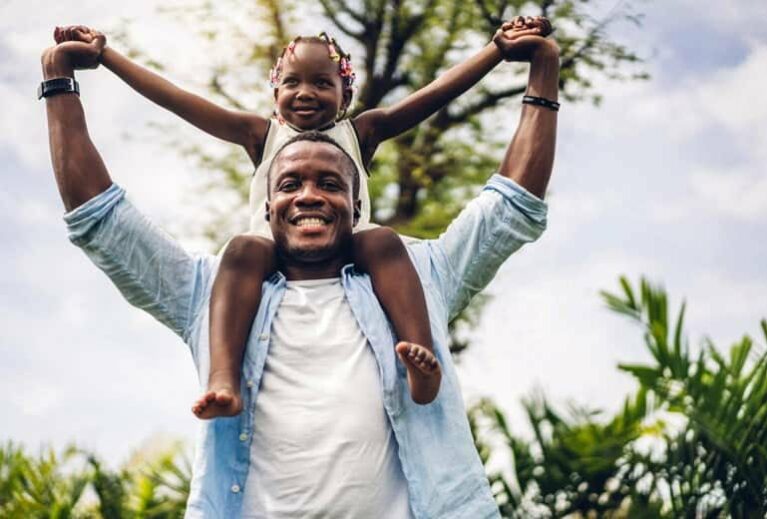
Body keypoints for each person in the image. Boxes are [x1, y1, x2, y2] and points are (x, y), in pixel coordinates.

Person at [41, 14, 559, 517]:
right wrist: (60, 78)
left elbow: (509, 207)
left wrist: (539, 67)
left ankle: (424, 375)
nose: (309, 196)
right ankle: (223, 382)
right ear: (267, 207)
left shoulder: (417, 275)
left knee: (383, 245)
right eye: (289, 184)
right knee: (241, 251)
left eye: (331, 184)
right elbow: (101, 219)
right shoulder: (217, 292)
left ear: (356, 204)